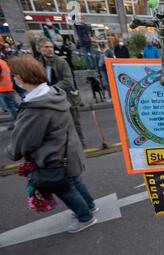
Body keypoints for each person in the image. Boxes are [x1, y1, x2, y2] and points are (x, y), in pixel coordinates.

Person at [5, 55, 98, 233]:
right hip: (68, 150)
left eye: (15, 75)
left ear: (22, 77)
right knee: (74, 181)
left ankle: (85, 217)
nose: (14, 78)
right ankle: (90, 206)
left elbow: (24, 140)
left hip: (54, 156)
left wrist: (11, 151)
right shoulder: (53, 94)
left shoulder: (36, 107)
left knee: (64, 188)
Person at [37, 37, 85, 147]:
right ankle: (65, 145)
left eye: (51, 47)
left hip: (67, 98)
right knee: (57, 125)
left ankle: (81, 144)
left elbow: (68, 81)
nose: (50, 49)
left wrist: (50, 89)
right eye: (46, 47)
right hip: (50, 100)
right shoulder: (38, 64)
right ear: (39, 49)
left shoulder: (61, 62)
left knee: (74, 122)